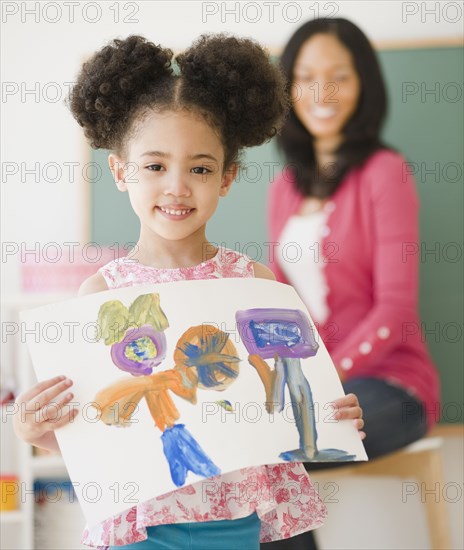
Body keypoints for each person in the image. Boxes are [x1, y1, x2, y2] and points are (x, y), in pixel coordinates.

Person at [13, 34, 366, 550]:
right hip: (138, 530)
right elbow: (96, 439)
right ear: (120, 171)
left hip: (236, 524)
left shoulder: (254, 283)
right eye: (155, 166)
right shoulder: (99, 295)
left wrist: (333, 417)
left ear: (226, 178)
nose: (177, 186)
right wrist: (35, 430)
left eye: (199, 168)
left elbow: (285, 406)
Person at [263, 18, 440, 550]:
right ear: (288, 86)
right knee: (258, 451)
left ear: (363, 84)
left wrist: (324, 380)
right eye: (306, 76)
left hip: (393, 387)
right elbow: (281, 305)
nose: (322, 92)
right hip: (314, 389)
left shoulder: (386, 172)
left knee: (284, 453)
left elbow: (395, 307)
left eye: (339, 76)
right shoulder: (284, 187)